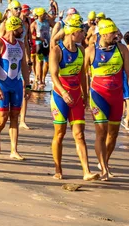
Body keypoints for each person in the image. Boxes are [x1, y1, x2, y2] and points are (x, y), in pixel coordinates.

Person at [49, 14, 100, 181]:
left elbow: (83, 75)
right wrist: (63, 93)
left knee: (79, 134)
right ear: (72, 32)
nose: (84, 34)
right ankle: (58, 168)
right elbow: (54, 75)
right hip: (59, 96)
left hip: (77, 96)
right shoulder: (57, 50)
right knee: (60, 133)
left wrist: (85, 94)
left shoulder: (81, 50)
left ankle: (86, 171)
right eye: (80, 32)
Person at [84, 19, 129, 180]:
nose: (116, 35)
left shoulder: (122, 49)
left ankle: (104, 161)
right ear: (103, 34)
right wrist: (84, 95)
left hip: (116, 96)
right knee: (101, 133)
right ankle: (104, 168)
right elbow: (83, 74)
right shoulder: (91, 50)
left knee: (113, 134)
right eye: (113, 33)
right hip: (98, 95)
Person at [0, 16, 30, 160]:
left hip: (17, 84)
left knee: (14, 116)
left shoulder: (20, 44)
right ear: (14, 28)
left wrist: (28, 84)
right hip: (2, 84)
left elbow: (24, 65)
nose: (23, 30)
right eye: (21, 28)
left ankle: (14, 150)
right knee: (3, 117)